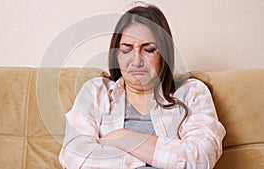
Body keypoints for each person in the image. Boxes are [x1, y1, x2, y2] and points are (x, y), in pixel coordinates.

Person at [59, 4, 226, 169]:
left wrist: (123, 138)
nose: (137, 61)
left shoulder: (192, 92)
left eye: (149, 49)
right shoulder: (95, 91)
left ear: (164, 55)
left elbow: (201, 158)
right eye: (126, 49)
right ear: (116, 54)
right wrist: (145, 162)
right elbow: (73, 156)